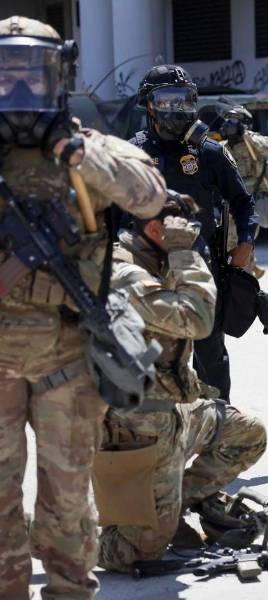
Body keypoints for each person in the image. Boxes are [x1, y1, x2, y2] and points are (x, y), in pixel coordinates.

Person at [0, 16, 166, 600]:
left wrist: (80, 154)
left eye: (34, 74)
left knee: (67, 504)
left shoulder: (86, 147)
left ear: (59, 76)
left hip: (67, 359)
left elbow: (150, 196)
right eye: (7, 75)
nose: (21, 88)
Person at [96, 195, 267, 572]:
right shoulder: (121, 271)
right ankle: (50, 534)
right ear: (155, 228)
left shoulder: (163, 258)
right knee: (138, 553)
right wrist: (184, 253)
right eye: (182, 228)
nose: (191, 235)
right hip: (135, 426)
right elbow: (198, 319)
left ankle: (172, 507)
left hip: (176, 412)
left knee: (249, 434)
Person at [131, 64, 257, 402]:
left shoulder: (210, 153)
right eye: (167, 100)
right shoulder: (133, 154)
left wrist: (245, 243)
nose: (176, 108)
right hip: (148, 268)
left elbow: (243, 202)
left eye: (183, 99)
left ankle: (218, 420)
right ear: (149, 106)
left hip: (201, 266)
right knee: (147, 349)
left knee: (210, 353)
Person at [203, 99, 268, 278]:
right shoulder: (223, 147)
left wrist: (245, 134)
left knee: (245, 240)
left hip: (251, 199)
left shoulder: (253, 143)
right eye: (228, 121)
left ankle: (246, 276)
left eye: (234, 121)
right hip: (230, 201)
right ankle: (248, 269)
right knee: (230, 241)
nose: (229, 125)